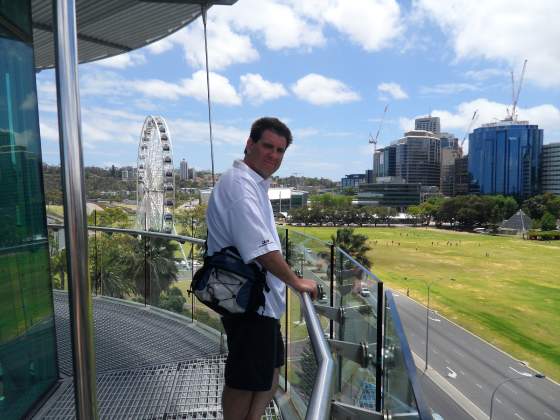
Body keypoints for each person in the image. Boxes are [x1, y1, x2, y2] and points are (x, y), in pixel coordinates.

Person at [206, 117, 318, 420]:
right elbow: (263, 251)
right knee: (243, 382)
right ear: (249, 144)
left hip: (262, 305)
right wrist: (296, 281)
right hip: (249, 304)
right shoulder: (240, 187)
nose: (274, 155)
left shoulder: (252, 184)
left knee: (269, 373)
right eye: (268, 146)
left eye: (280, 150)